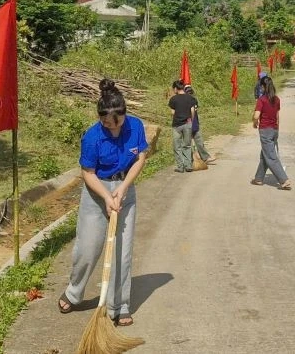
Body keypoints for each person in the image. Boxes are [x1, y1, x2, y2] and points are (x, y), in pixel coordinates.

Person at [59, 80, 148, 326]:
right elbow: (87, 173)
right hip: (97, 191)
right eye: (107, 124)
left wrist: (123, 188)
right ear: (100, 119)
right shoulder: (92, 137)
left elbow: (140, 158)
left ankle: (119, 305)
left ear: (125, 115)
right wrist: (107, 196)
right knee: (87, 249)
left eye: (117, 123)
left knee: (122, 252)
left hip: (124, 190)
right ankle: (74, 292)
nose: (113, 128)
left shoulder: (136, 126)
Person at [250, 76, 291, 190]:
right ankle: (258, 178)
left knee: (270, 156)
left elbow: (256, 116)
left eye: (261, 87)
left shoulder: (262, 100)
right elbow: (277, 116)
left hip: (265, 131)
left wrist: (254, 122)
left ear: (263, 87)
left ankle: (284, 180)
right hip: (274, 129)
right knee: (265, 155)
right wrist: (277, 130)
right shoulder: (276, 99)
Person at [168, 80, 197, 172]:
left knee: (177, 146)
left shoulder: (173, 99)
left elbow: (172, 112)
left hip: (177, 125)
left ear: (175, 88)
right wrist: (191, 120)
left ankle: (180, 167)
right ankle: (188, 166)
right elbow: (192, 111)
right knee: (187, 145)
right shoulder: (190, 98)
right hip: (187, 124)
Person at [185, 84, 214, 165]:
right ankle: (190, 160)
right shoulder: (183, 101)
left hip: (195, 124)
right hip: (186, 124)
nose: (190, 93)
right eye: (188, 92)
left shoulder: (194, 100)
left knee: (200, 142)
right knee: (188, 144)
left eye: (190, 92)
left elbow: (195, 111)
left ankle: (205, 158)